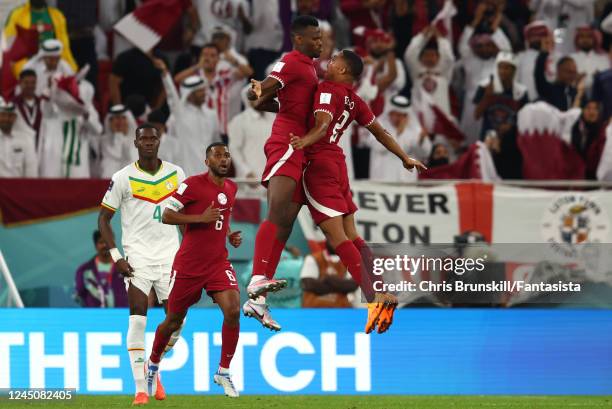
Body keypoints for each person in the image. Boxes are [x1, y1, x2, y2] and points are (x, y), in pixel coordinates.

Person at [289, 49, 427, 333]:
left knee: (336, 236)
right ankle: (381, 289)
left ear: (343, 71)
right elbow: (381, 132)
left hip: (320, 162)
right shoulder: (355, 99)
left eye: (336, 58)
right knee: (353, 235)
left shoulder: (327, 90)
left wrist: (305, 141)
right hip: (340, 164)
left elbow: (323, 123)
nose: (331, 58)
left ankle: (374, 295)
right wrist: (404, 157)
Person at [242, 15, 322, 331]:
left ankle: (258, 299)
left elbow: (263, 103)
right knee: (277, 214)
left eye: (321, 37)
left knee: (286, 222)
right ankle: (257, 279)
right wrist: (260, 87)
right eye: (314, 37)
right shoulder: (290, 60)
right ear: (298, 39)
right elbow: (263, 89)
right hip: (286, 143)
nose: (320, 42)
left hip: (298, 145)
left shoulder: (309, 67)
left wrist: (288, 107)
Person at [98, 123, 186, 405]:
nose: (148, 142)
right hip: (137, 258)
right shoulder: (123, 177)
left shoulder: (176, 173)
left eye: (152, 138)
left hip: (171, 257)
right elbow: (103, 219)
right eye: (143, 139)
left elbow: (186, 216)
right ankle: (140, 389)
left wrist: (190, 254)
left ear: (159, 141)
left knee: (177, 320)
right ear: (135, 143)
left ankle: (153, 364)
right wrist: (117, 257)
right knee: (138, 316)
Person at [145, 142, 242, 398]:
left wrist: (229, 235)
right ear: (206, 161)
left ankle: (223, 371)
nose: (223, 159)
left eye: (226, 155)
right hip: (189, 266)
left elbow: (221, 219)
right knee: (173, 321)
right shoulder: (192, 185)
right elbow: (166, 215)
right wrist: (200, 218)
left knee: (233, 310)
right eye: (217, 155)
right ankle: (153, 363)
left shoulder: (232, 188)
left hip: (218, 263)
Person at [154, 58, 221, 177]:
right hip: (187, 174)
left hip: (209, 175)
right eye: (200, 91)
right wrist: (165, 74)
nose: (204, 94)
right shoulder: (180, 115)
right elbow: (171, 96)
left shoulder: (211, 115)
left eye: (203, 90)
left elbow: (217, 143)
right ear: (190, 94)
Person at [174, 42, 251, 140]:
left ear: (218, 59)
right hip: (201, 130)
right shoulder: (195, 78)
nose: (207, 58)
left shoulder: (225, 76)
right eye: (205, 55)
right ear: (200, 57)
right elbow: (177, 79)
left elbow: (248, 72)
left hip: (223, 131)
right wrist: (198, 66)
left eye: (212, 55)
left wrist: (233, 61)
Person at [365, 95, 431, 182]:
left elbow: (424, 154)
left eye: (401, 115)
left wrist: (421, 141)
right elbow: (378, 147)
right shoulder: (378, 126)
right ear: (390, 112)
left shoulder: (415, 129)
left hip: (406, 179)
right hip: (383, 178)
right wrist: (397, 133)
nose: (397, 118)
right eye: (395, 114)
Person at [3, 0, 77, 76]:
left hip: (52, 63)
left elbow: (64, 46)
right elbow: (9, 44)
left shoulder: (57, 15)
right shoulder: (17, 14)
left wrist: (71, 67)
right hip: (26, 63)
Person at [474, 52, 528, 140]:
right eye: (500, 67)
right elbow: (476, 115)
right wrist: (487, 97)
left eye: (507, 68)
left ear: (514, 70)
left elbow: (524, 118)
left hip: (511, 140)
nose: (502, 71)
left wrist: (511, 125)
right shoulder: (485, 86)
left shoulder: (521, 91)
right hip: (489, 138)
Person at [74, 230, 128, 308]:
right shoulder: (83, 270)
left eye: (108, 242)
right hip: (94, 317)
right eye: (101, 242)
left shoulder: (124, 268)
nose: (105, 245)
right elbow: (80, 293)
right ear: (95, 245)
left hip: (120, 317)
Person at [300, 242, 358, 308]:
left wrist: (328, 279)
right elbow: (308, 284)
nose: (334, 240)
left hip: (341, 310)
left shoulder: (350, 260)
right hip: (314, 310)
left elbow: (352, 285)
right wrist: (340, 286)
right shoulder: (313, 258)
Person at [0, 98, 38, 177]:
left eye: (10, 115)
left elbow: (31, 173)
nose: (6, 119)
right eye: (3, 115)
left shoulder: (26, 140)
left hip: (18, 188)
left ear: (15, 118)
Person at [99, 104, 138, 179]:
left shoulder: (137, 143)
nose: (120, 122)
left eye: (123, 118)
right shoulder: (101, 141)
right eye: (116, 118)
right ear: (109, 122)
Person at [13, 69, 42, 147]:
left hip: (39, 147)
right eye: (26, 83)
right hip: (19, 147)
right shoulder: (13, 104)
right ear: (20, 83)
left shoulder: (42, 103)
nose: (30, 86)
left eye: (33, 83)